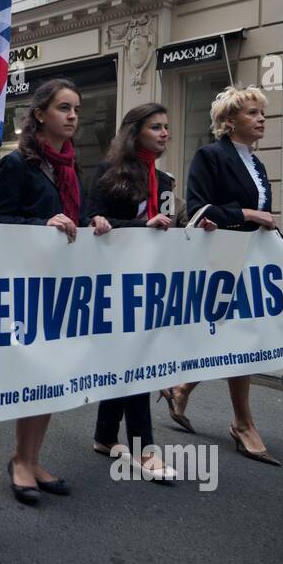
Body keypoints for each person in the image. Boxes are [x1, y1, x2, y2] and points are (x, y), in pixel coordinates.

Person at [164, 86, 283, 465]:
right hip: (220, 261)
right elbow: (197, 210)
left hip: (253, 262)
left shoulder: (257, 165)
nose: (262, 119)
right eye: (252, 113)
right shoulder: (209, 156)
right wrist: (246, 213)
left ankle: (182, 387)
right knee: (237, 337)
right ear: (228, 122)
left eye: (262, 113)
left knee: (232, 336)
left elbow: (268, 224)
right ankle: (243, 424)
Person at [0, 79, 112, 502]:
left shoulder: (72, 164)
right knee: (33, 372)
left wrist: (95, 222)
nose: (73, 115)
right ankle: (20, 461)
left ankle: (33, 457)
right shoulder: (18, 164)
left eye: (76, 108)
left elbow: (78, 215)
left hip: (65, 282)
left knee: (52, 376)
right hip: (28, 283)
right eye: (63, 108)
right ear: (40, 114)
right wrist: (42, 226)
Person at [84, 101, 217, 481]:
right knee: (136, 362)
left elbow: (166, 227)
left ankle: (106, 437)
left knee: (129, 359)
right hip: (114, 279)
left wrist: (191, 226)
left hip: (149, 281)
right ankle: (144, 451)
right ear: (135, 131)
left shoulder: (165, 179)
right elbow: (92, 221)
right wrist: (142, 226)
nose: (165, 133)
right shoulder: (109, 171)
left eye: (166, 127)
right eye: (156, 127)